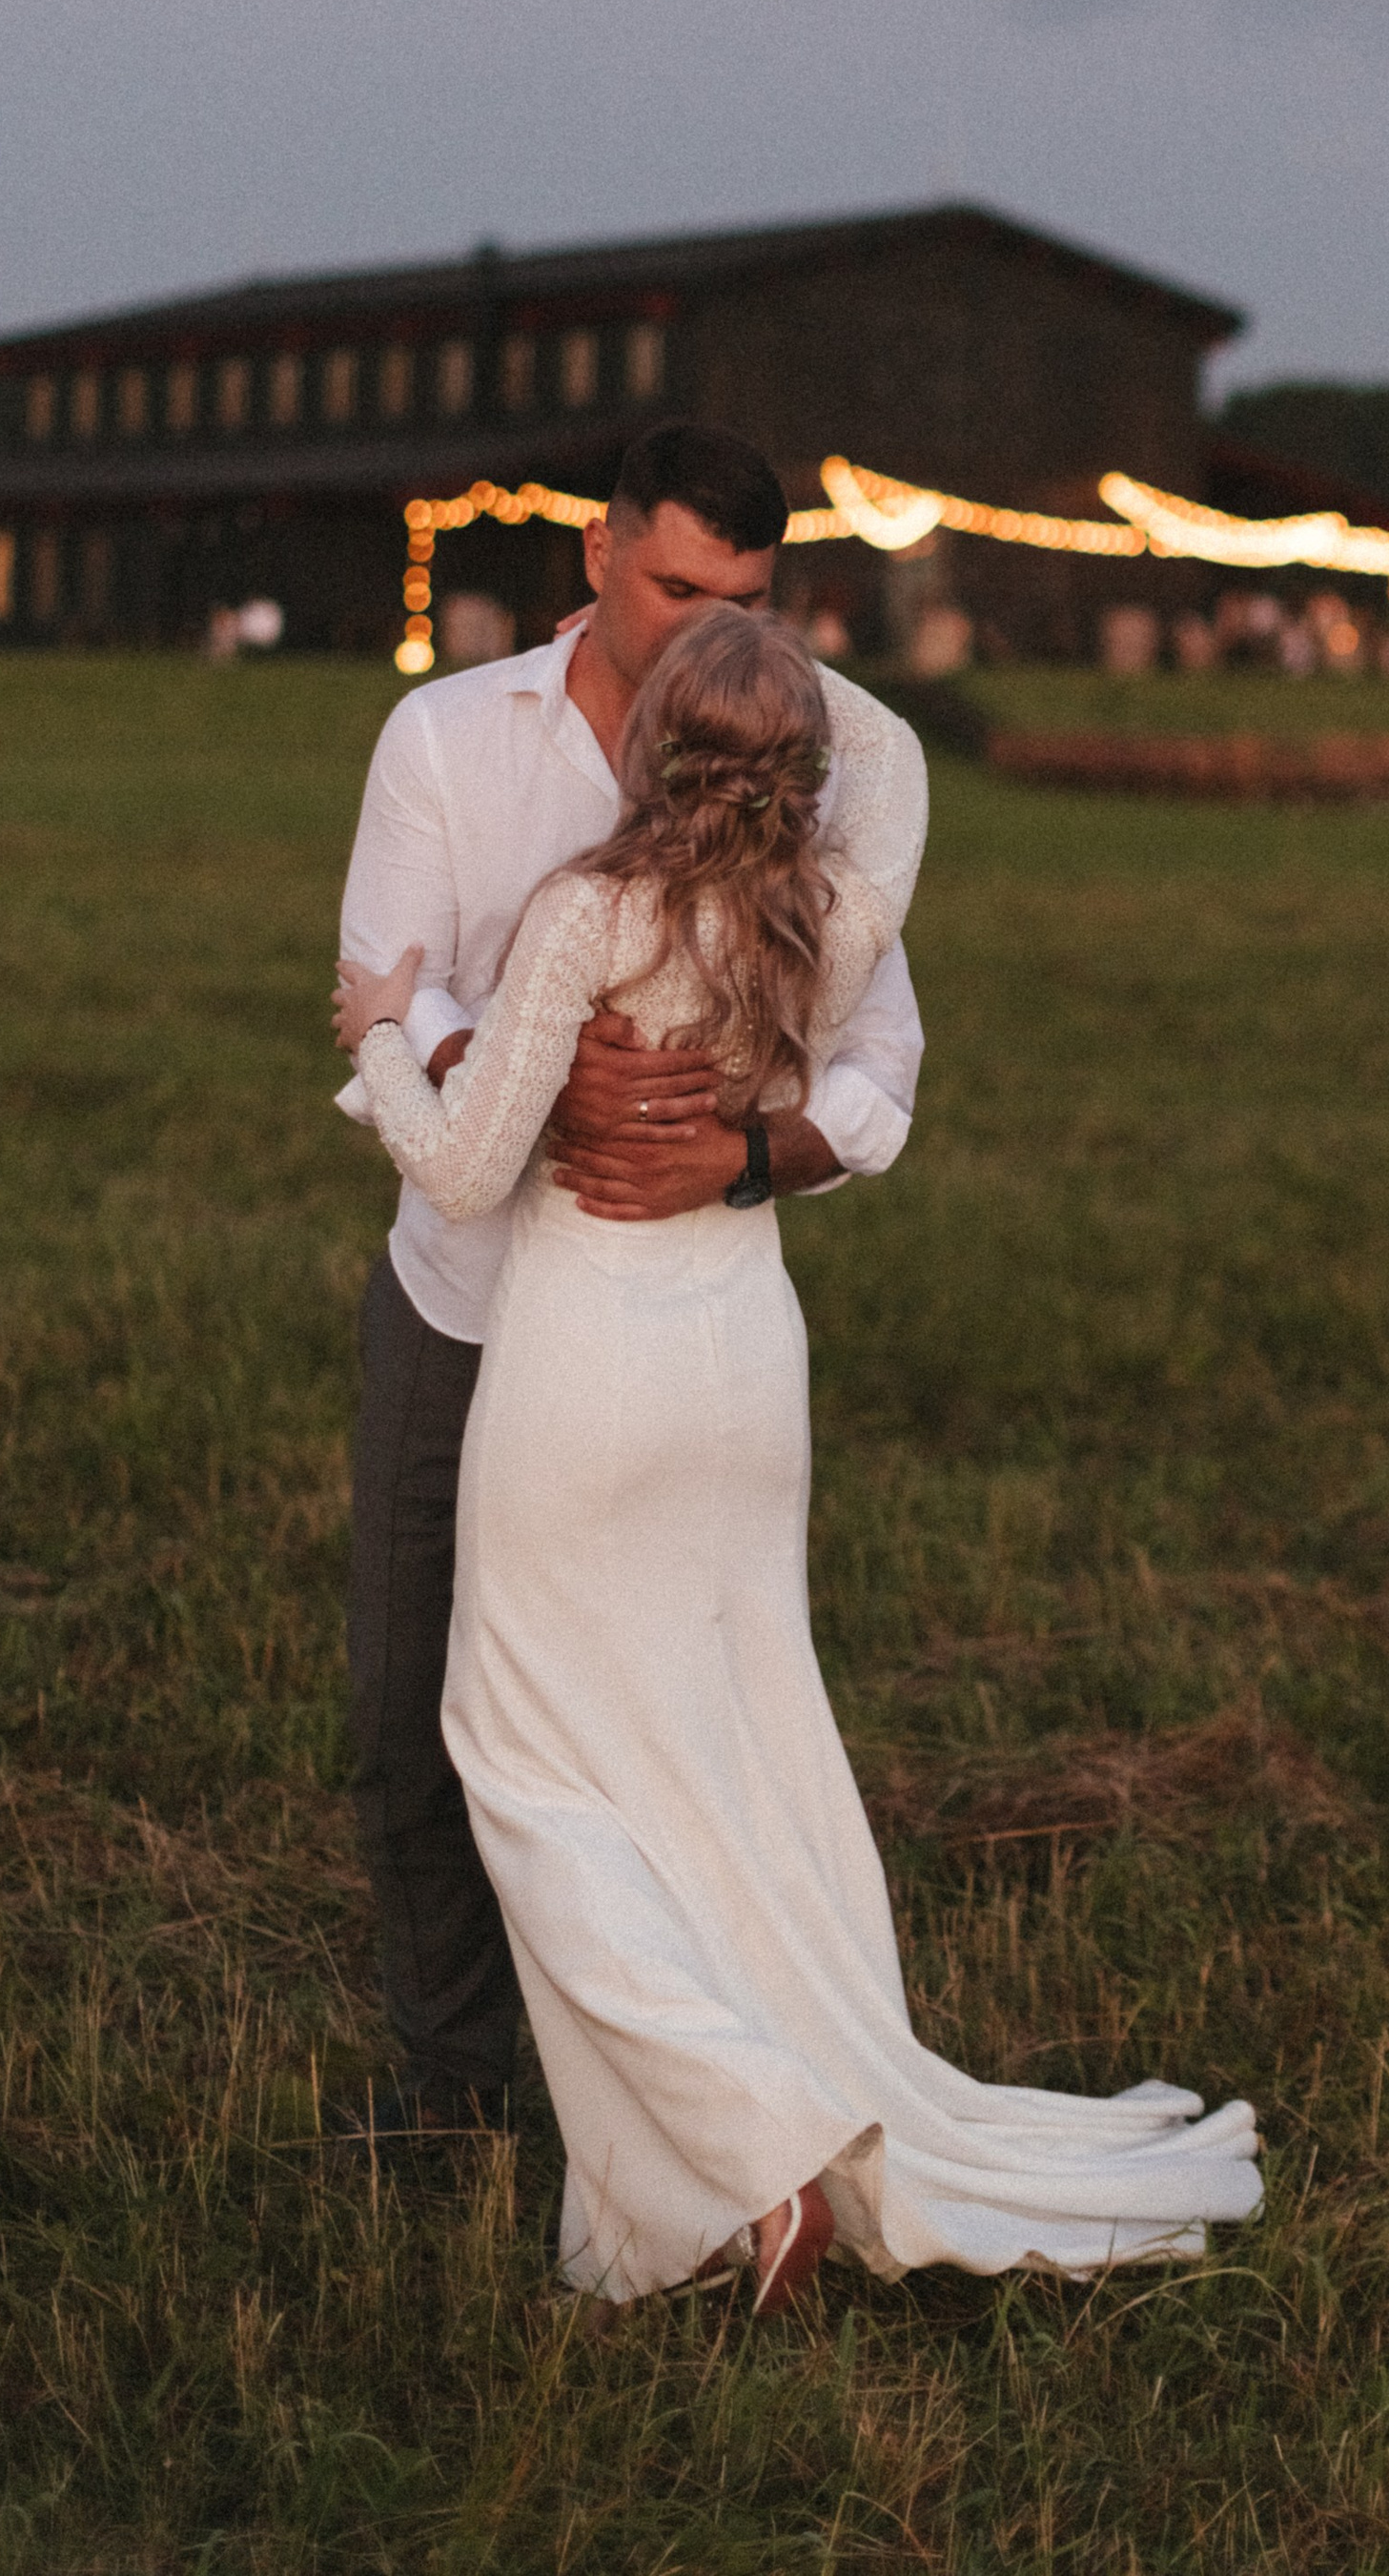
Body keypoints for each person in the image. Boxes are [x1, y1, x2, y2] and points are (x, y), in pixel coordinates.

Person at [335, 604, 1261, 2311]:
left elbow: (465, 1173)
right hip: (744, 1365)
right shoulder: (828, 917)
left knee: (518, 1756)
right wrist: (771, 683)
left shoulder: (587, 915)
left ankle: (761, 2155)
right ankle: (774, 2121)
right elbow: (893, 771)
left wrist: (385, 1039)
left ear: (646, 745)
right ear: (798, 769)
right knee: (739, 1745)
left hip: (592, 1371)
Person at [334, 420, 928, 2141]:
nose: (702, 631)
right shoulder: (446, 736)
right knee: (405, 1720)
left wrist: (742, 1154)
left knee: (665, 1736)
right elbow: (394, 955)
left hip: (670, 1340)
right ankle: (464, 2101)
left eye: (741, 596)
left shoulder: (819, 747)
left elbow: (879, 1061)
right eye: (674, 585)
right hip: (468, 1301)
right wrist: (537, 1061)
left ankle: (687, 2109)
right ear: (599, 550)